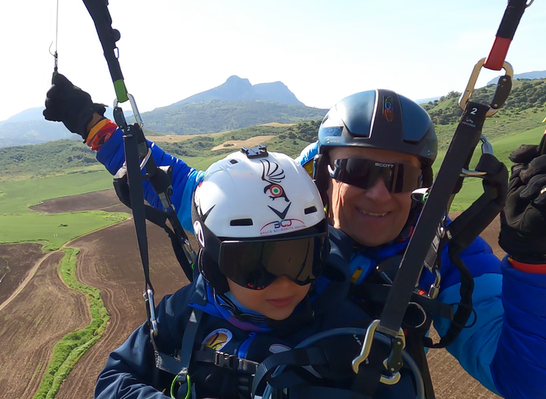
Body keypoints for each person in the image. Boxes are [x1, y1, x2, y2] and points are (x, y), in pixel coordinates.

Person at [45, 76, 546, 399]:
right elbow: (169, 180)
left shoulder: (439, 256)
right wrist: (94, 127)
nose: (378, 194)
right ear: (320, 172)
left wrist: (534, 261)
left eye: (400, 176)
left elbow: (543, 385)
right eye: (357, 170)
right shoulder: (269, 204)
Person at [94, 149, 416, 399]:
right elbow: (115, 378)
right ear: (215, 264)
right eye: (254, 267)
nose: (284, 282)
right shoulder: (187, 311)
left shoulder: (353, 335)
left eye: (301, 258)